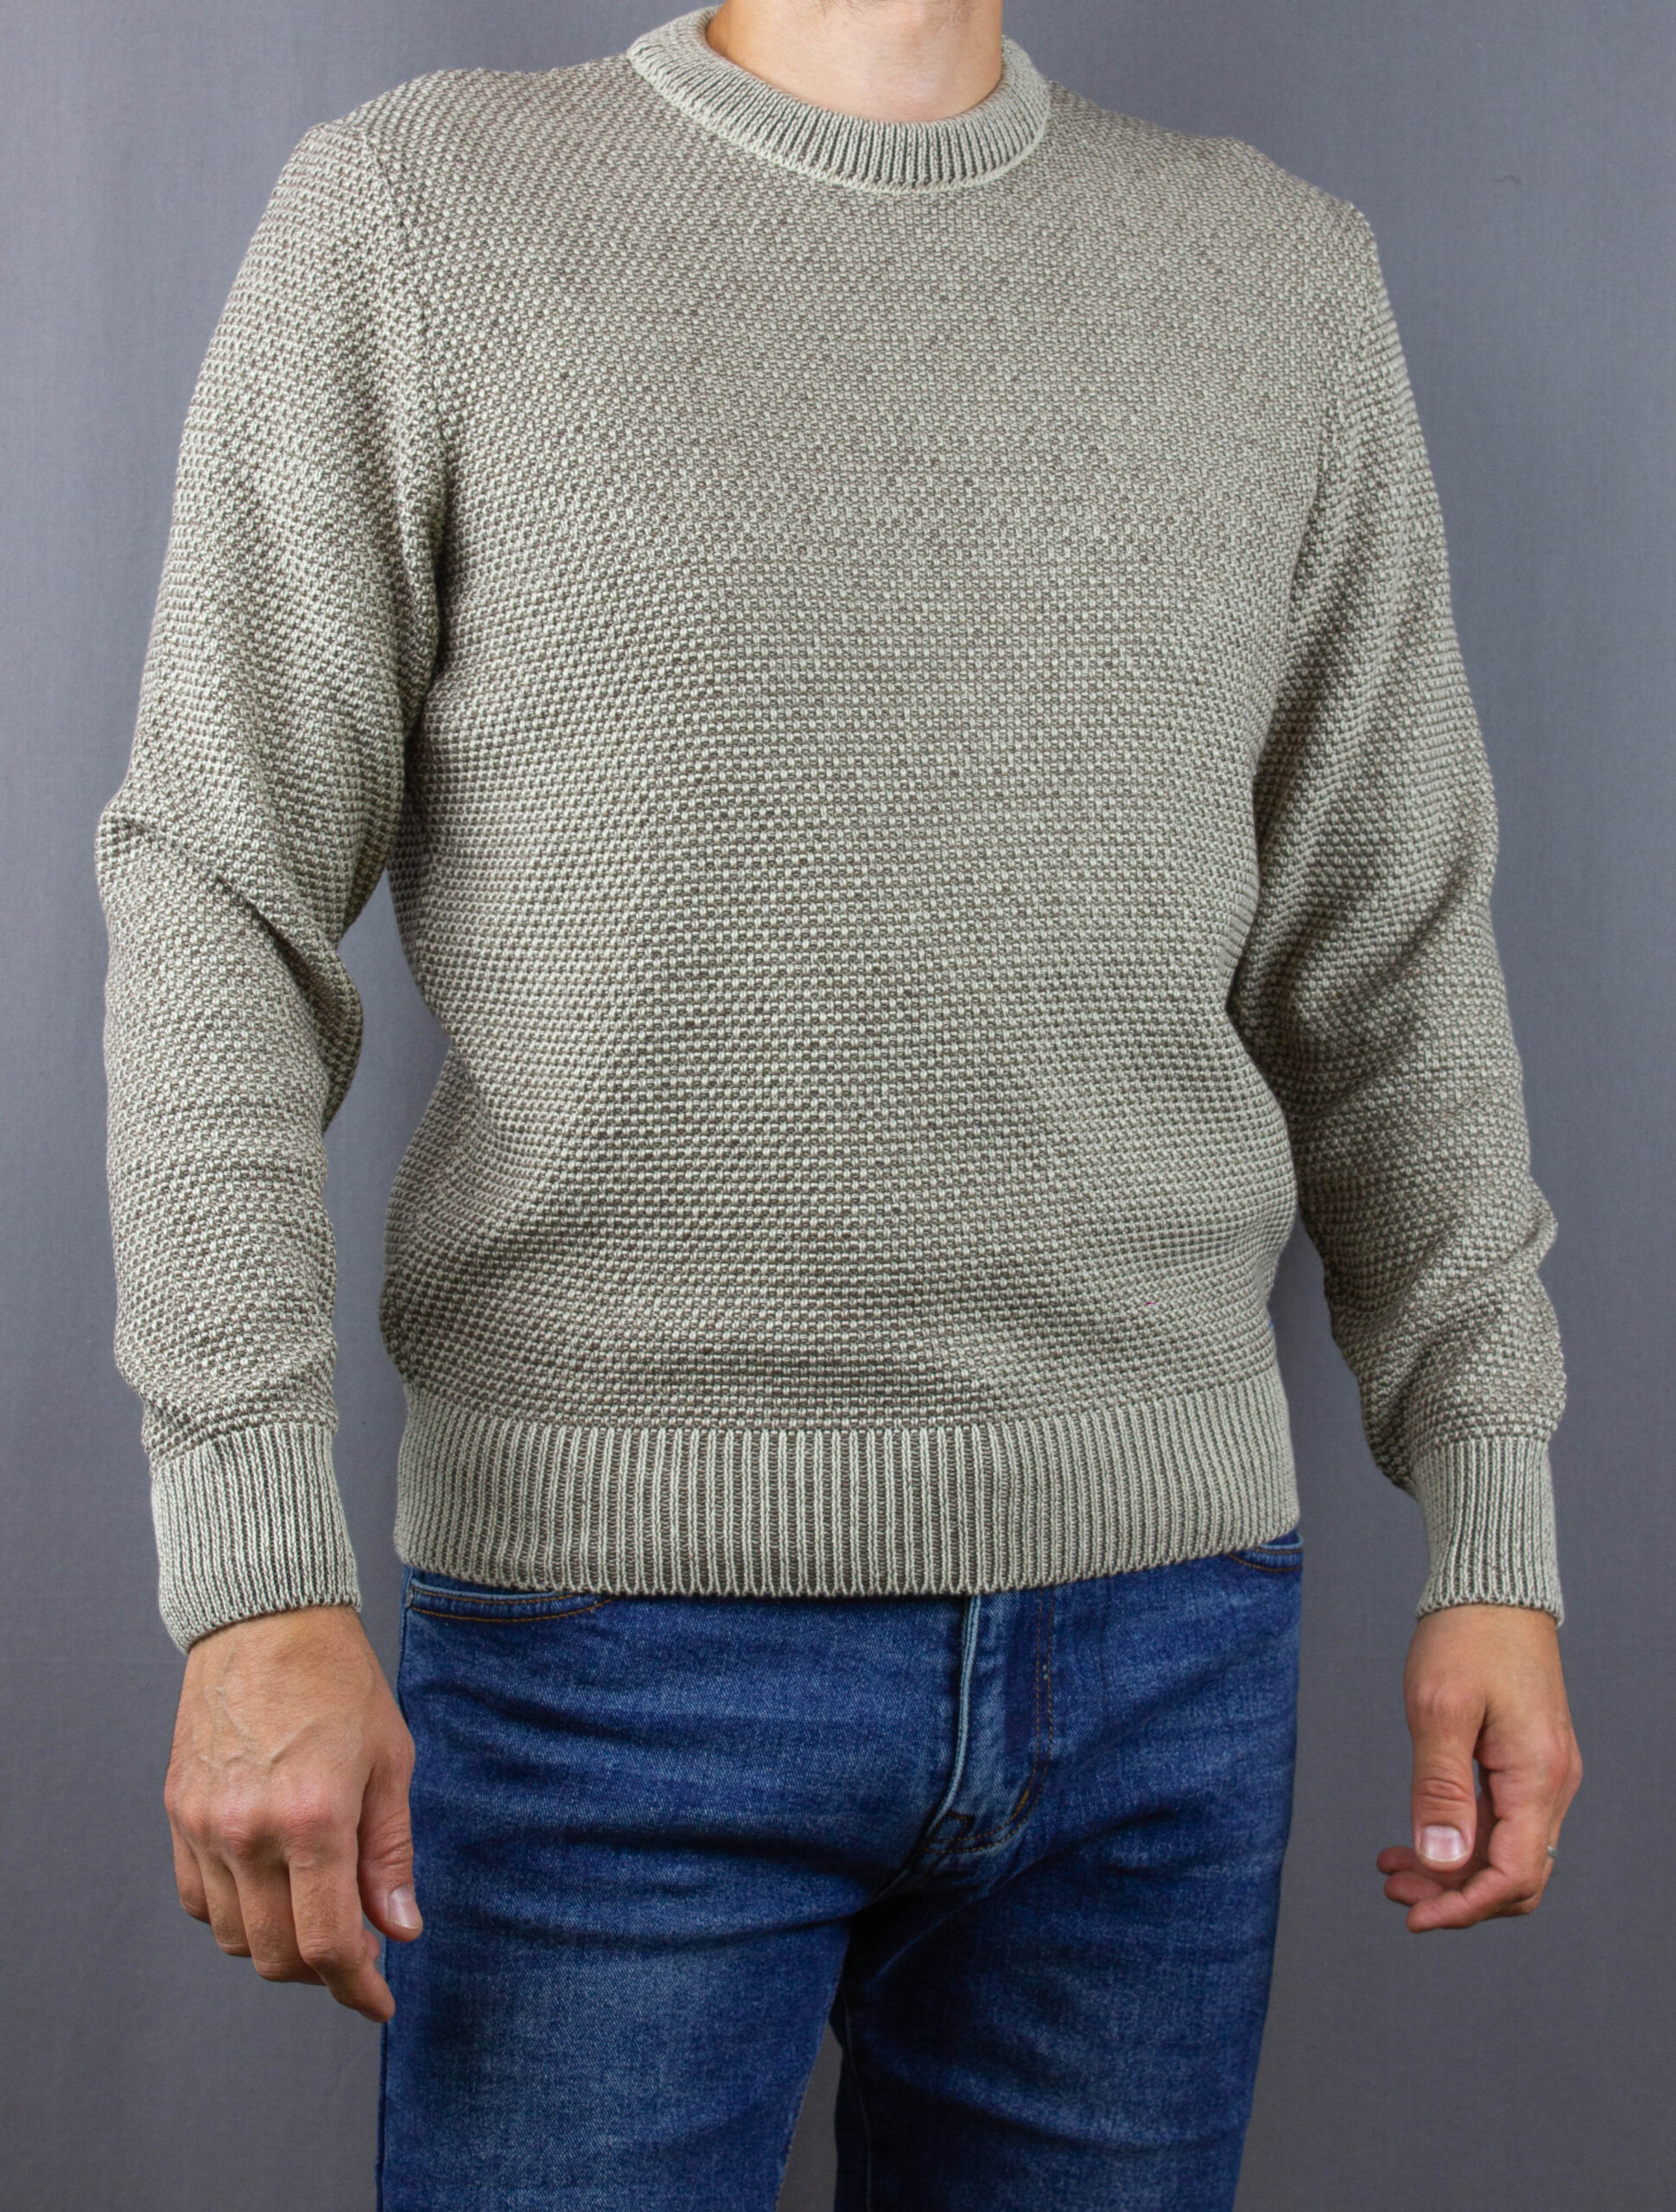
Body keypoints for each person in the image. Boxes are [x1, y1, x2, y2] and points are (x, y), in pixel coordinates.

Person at [97, 3, 1583, 2205]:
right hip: (606, 1650)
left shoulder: (1276, 276)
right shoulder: (419, 217)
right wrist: (247, 1571)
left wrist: (1491, 1520)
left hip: (1161, 1651)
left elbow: (1388, 954)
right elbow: (216, 892)